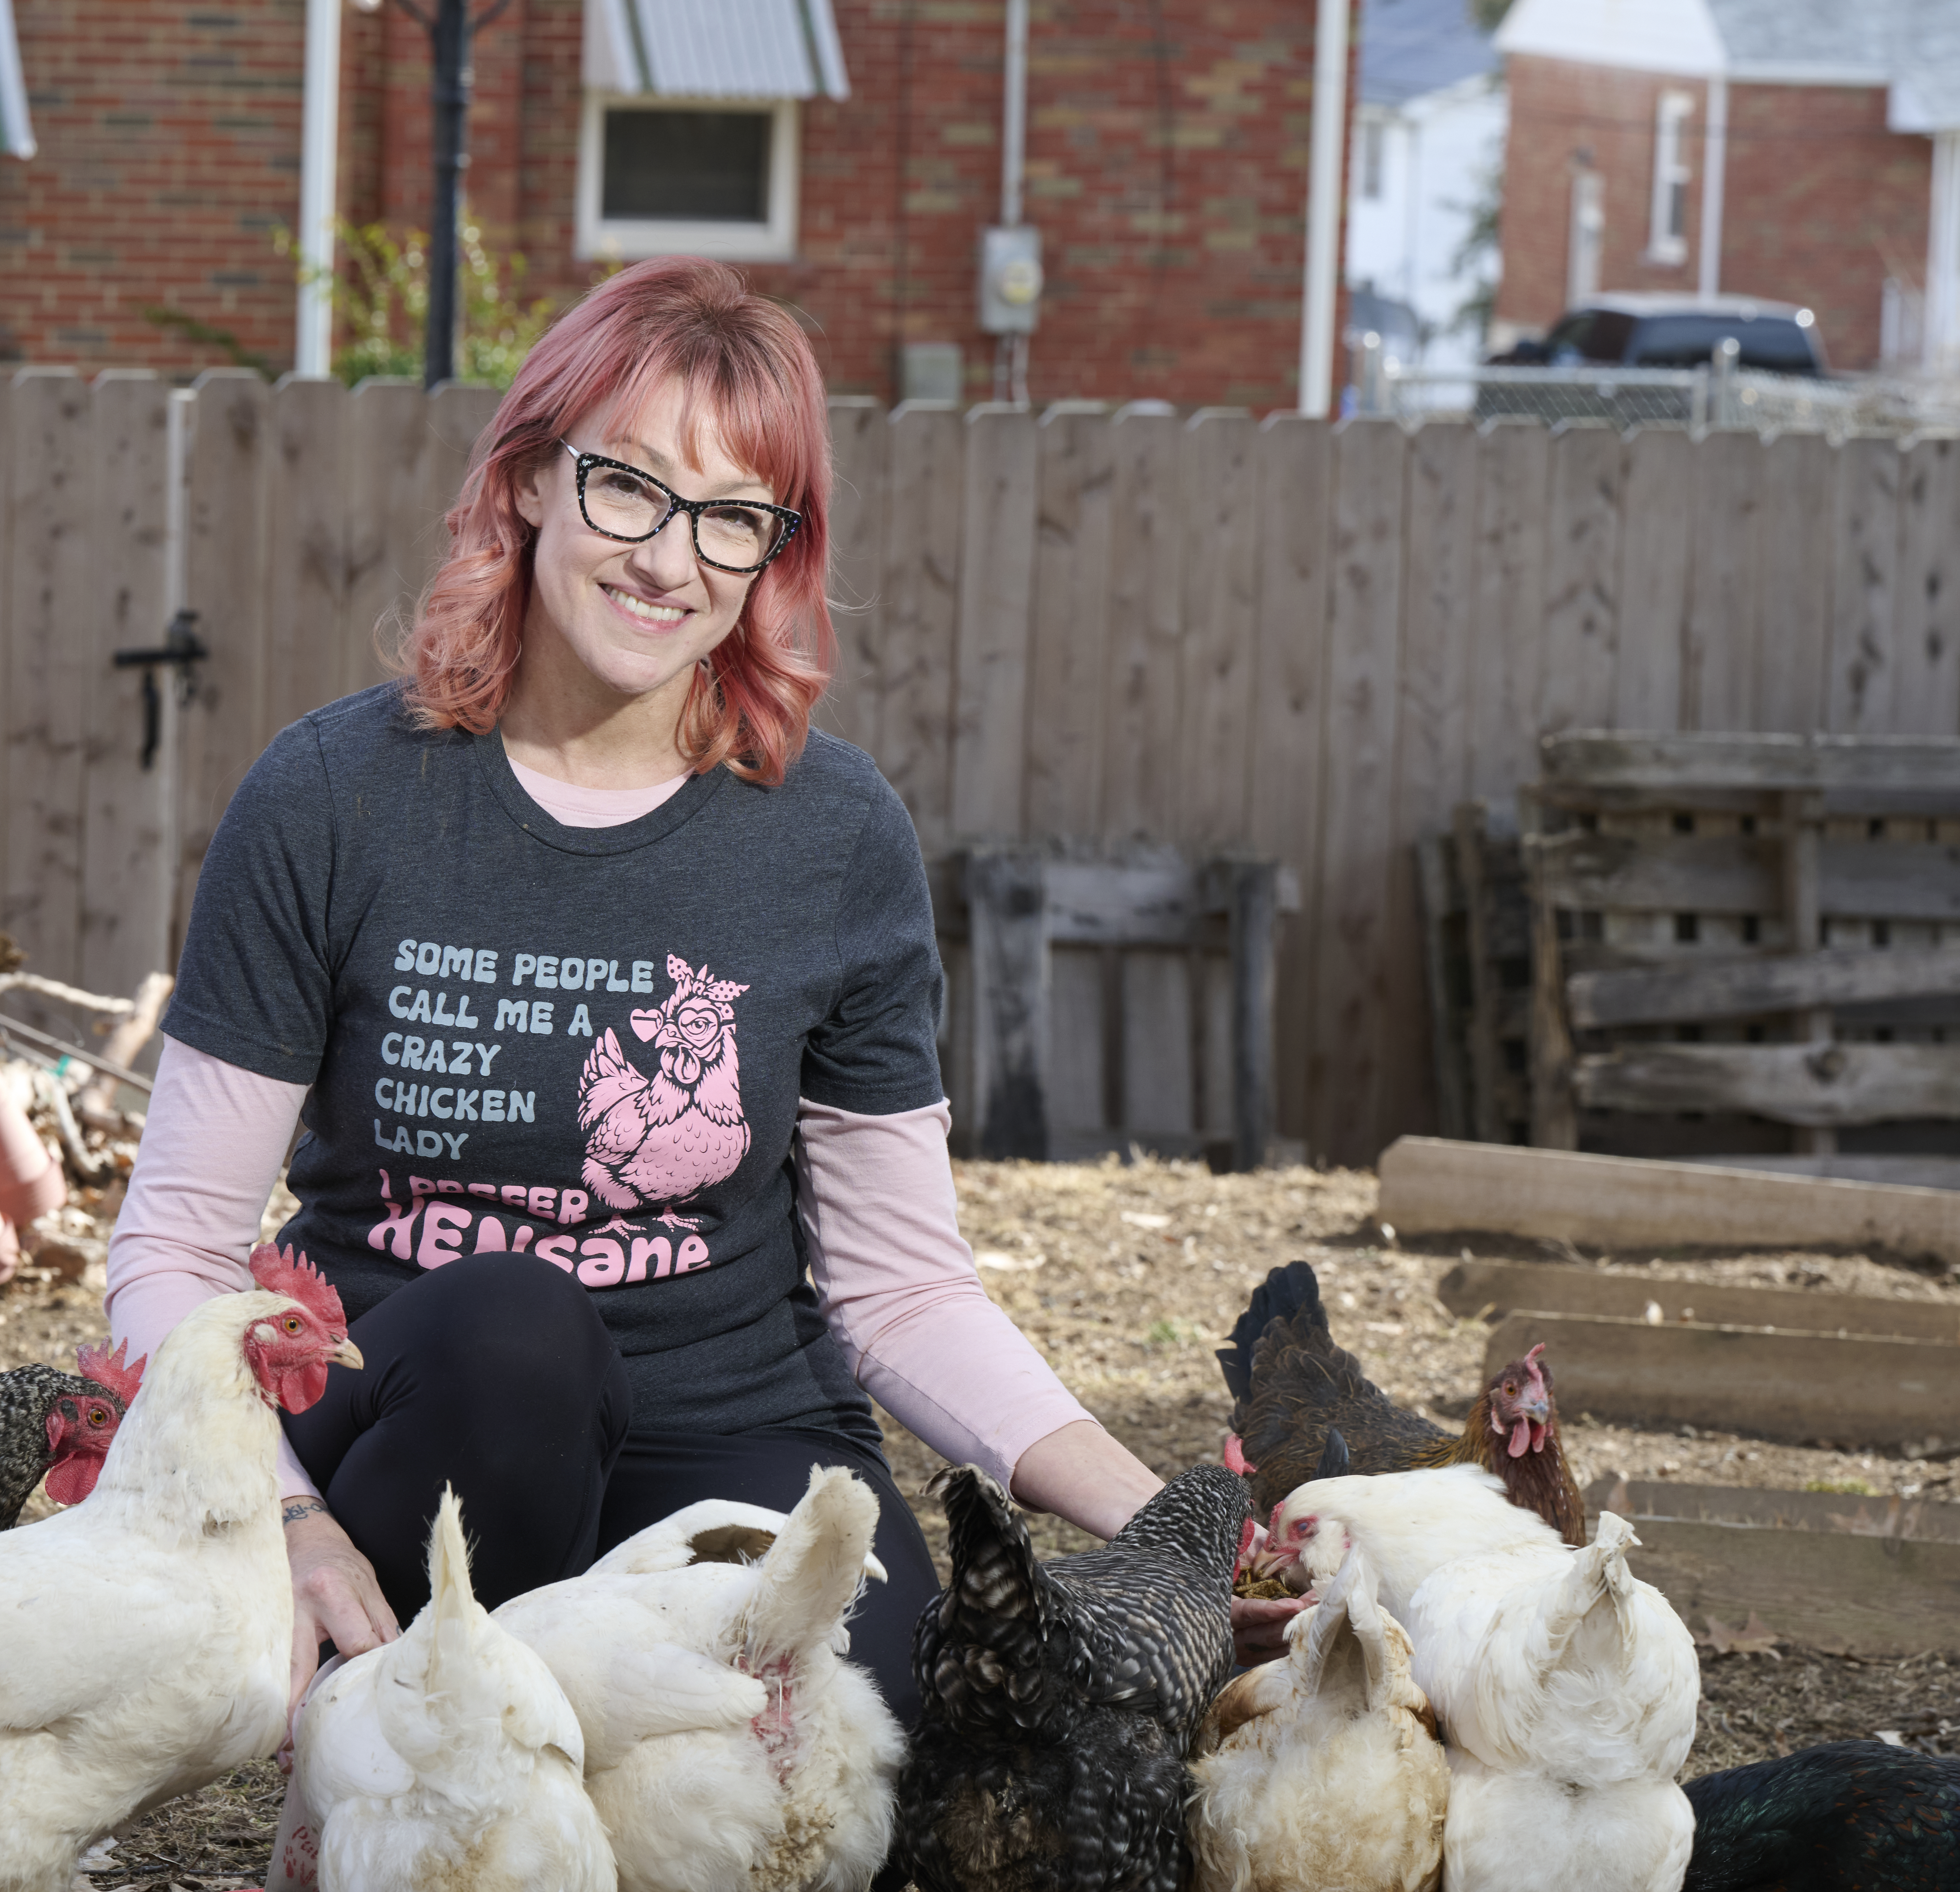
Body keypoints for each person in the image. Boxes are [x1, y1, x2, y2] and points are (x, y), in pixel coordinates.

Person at [107, 257, 1304, 1769]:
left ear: (771, 554)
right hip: (435, 1432)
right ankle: (438, 1760)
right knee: (517, 1331)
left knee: (853, 1789)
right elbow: (173, 1250)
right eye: (629, 489)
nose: (670, 558)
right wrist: (274, 1515)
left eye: (733, 515)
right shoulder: (338, 799)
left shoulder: (828, 837)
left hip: (720, 1432)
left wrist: (1188, 1527)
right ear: (533, 477)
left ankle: (549, 1787)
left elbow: (901, 1291)